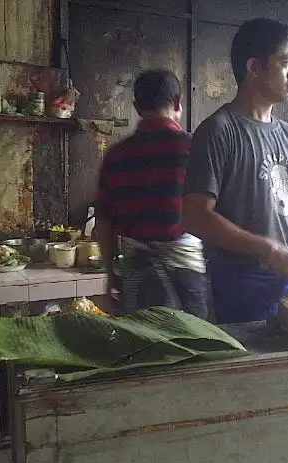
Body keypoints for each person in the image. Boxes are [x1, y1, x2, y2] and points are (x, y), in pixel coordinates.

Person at [183, 18, 288, 324]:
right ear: (254, 67)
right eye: (285, 63)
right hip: (240, 285)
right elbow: (195, 216)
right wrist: (268, 250)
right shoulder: (218, 131)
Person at [95, 69, 208, 319]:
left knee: (145, 347)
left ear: (136, 107)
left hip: (137, 272)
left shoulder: (117, 156)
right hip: (187, 271)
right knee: (198, 347)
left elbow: (104, 223)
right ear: (178, 103)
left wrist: (112, 274)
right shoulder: (193, 149)